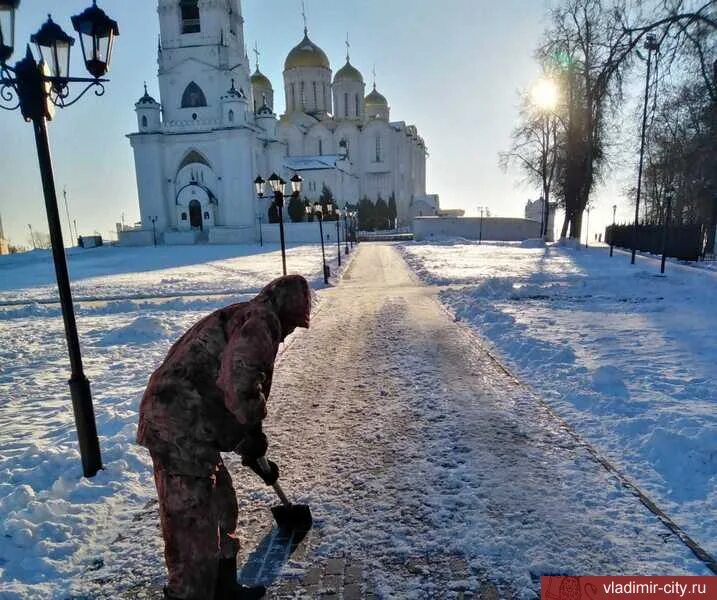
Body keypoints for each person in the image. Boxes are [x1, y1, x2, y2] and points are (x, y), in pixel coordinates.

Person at [137, 275, 312, 600]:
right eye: (293, 324)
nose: (288, 334)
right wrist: (254, 431)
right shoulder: (262, 322)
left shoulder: (247, 315)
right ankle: (187, 594)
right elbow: (240, 381)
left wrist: (251, 450)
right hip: (177, 424)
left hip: (194, 423)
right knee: (192, 519)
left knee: (221, 500)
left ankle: (224, 587)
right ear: (287, 310)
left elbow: (223, 392)